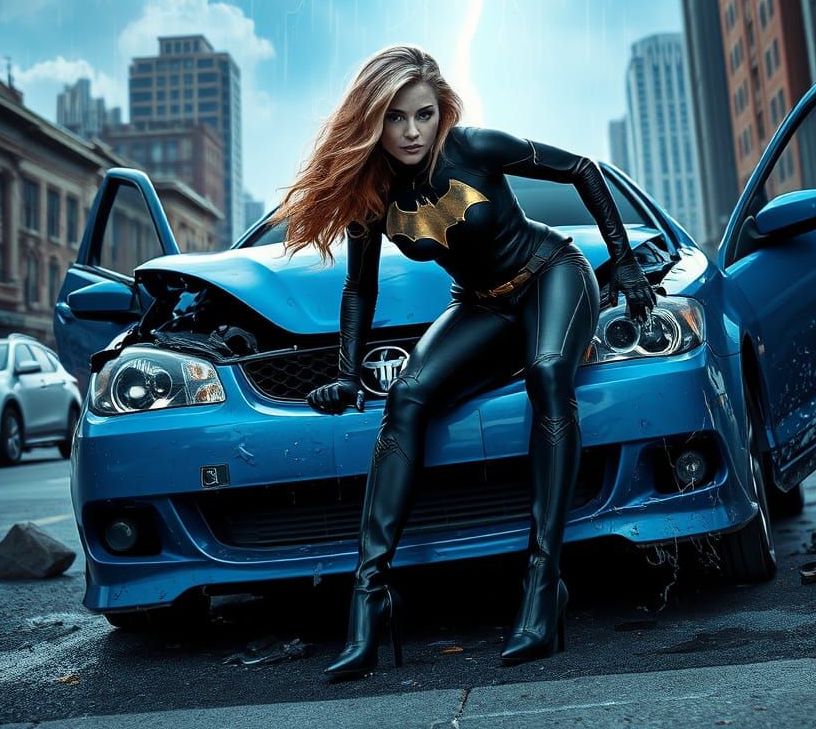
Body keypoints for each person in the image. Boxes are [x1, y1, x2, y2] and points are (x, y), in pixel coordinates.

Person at [269, 44, 656, 682]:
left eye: (423, 114)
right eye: (396, 118)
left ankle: (543, 584)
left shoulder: (475, 148)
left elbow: (585, 169)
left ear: (441, 111)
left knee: (548, 374)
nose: (412, 131)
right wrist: (345, 370)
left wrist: (629, 262)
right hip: (480, 306)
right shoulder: (373, 193)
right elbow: (358, 290)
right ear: (373, 122)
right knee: (406, 397)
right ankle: (369, 601)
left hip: (553, 275)